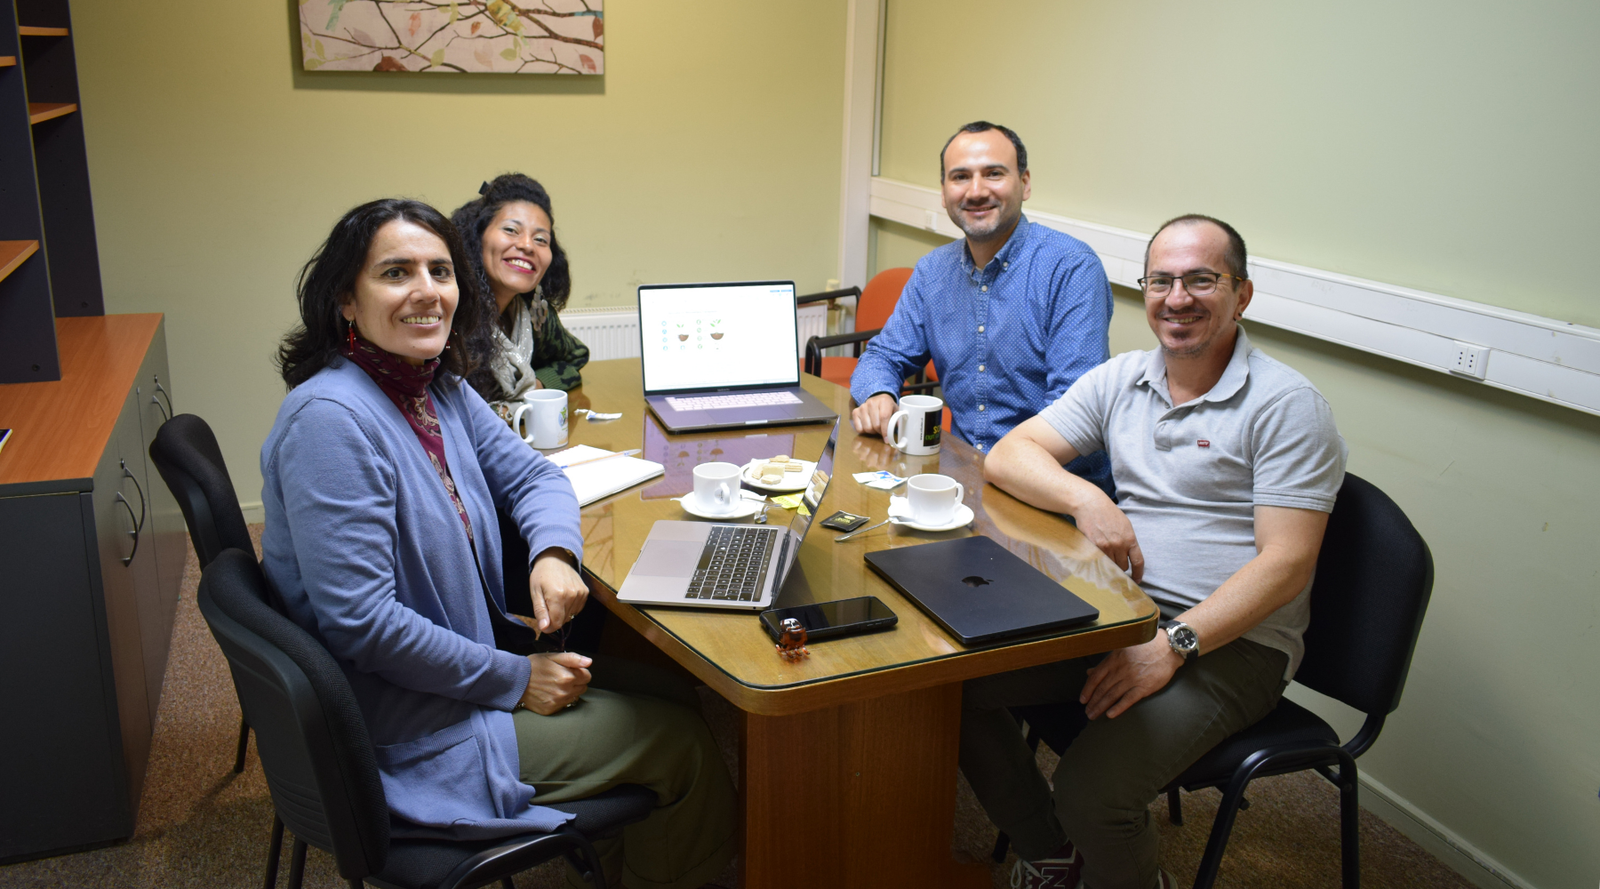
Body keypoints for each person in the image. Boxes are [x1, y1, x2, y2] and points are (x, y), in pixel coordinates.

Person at [261, 199, 734, 889]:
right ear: (346, 300)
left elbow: (536, 474)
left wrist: (553, 552)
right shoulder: (329, 420)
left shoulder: (435, 387)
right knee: (685, 747)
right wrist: (514, 681)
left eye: (440, 270)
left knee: (675, 688)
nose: (427, 291)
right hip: (411, 731)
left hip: (459, 673)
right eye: (397, 272)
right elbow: (362, 623)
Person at [962, 215, 1347, 889]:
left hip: (1232, 641)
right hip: (1122, 611)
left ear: (1242, 295)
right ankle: (1057, 857)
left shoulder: (1287, 405)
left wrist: (1172, 644)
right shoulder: (1124, 379)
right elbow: (1010, 454)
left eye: (1202, 279)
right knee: (951, 691)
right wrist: (1088, 500)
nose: (1178, 297)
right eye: (1161, 280)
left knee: (1091, 793)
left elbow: (1287, 562)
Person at [849, 120, 1114, 493]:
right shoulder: (932, 272)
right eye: (960, 177)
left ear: (1024, 183)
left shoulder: (1070, 268)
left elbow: (1074, 415)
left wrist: (1003, 472)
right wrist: (878, 393)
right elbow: (883, 355)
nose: (976, 191)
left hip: (1055, 491)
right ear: (943, 193)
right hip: (964, 479)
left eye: (993, 174)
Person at [453, 173, 591, 421]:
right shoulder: (452, 312)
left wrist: (537, 386)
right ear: (477, 238)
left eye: (541, 239)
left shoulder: (532, 310)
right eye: (511, 230)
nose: (528, 245)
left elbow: (575, 358)